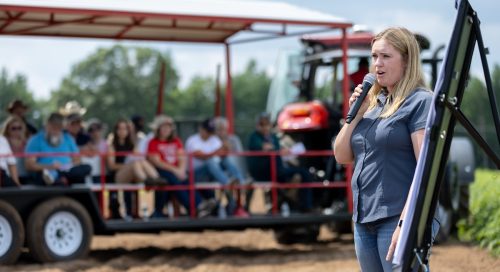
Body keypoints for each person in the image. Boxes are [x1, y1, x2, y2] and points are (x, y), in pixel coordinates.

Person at [333, 27, 434, 272]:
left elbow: (425, 172)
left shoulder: (420, 101)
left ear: (407, 60)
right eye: (374, 56)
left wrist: (405, 223)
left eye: (386, 56)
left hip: (396, 217)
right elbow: (342, 156)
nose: (377, 64)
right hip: (364, 220)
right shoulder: (374, 104)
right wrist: (355, 116)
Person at [147, 115, 215, 218]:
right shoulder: (153, 142)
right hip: (163, 171)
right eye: (163, 127)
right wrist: (175, 170)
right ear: (158, 129)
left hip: (177, 171)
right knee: (174, 180)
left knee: (187, 180)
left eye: (168, 127)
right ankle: (194, 208)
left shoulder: (176, 141)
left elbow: (182, 157)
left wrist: (181, 170)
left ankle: (199, 205)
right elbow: (157, 162)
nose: (166, 130)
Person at [247, 112, 313, 212]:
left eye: (267, 124)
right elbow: (268, 148)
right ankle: (293, 202)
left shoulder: (273, 137)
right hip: (263, 172)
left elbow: (276, 149)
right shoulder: (254, 137)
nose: (265, 127)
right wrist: (277, 151)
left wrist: (282, 152)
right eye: (262, 124)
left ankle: (303, 206)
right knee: (301, 173)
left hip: (277, 170)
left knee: (303, 174)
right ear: (257, 125)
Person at [185, 118, 246, 216]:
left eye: (211, 131)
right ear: (201, 129)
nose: (210, 134)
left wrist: (220, 150)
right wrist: (217, 152)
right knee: (210, 161)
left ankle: (241, 183)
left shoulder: (214, 139)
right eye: (207, 131)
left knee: (224, 161)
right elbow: (202, 156)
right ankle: (227, 184)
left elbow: (222, 154)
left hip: (213, 173)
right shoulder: (192, 140)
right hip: (196, 174)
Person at [25, 112, 91, 186]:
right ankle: (58, 177)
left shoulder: (68, 138)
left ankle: (60, 176)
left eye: (59, 128)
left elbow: (77, 160)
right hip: (45, 172)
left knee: (87, 168)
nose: (56, 131)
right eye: (53, 127)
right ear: (47, 125)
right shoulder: (36, 140)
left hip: (66, 171)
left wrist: (66, 166)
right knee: (44, 175)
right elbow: (30, 165)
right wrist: (50, 167)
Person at [1, 115, 29, 183]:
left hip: (26, 175)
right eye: (13, 128)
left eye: (19, 128)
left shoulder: (28, 143)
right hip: (8, 177)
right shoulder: (3, 143)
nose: (17, 131)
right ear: (7, 129)